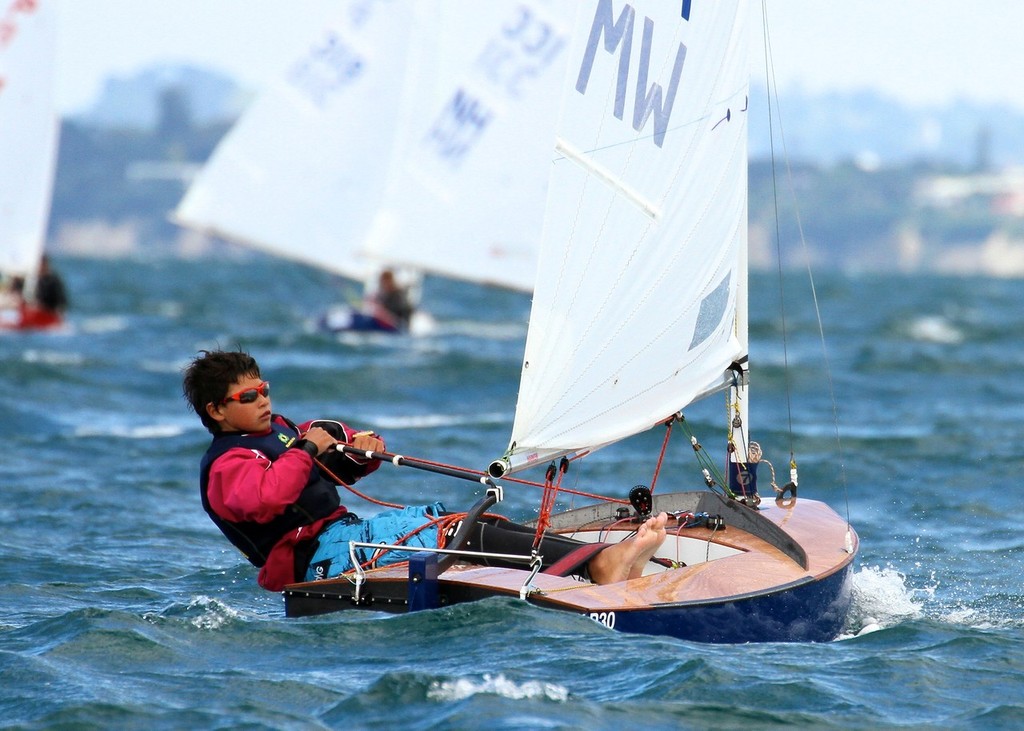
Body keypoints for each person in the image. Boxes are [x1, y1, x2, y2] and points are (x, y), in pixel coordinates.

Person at [182, 349, 667, 592]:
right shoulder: (227, 464)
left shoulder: (285, 432)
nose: (263, 399)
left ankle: (590, 560)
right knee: (455, 531)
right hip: (313, 565)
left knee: (471, 524)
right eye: (248, 397)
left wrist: (358, 453)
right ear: (217, 411)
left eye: (264, 388)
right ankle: (599, 565)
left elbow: (325, 475)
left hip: (347, 536)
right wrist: (307, 449)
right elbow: (268, 498)